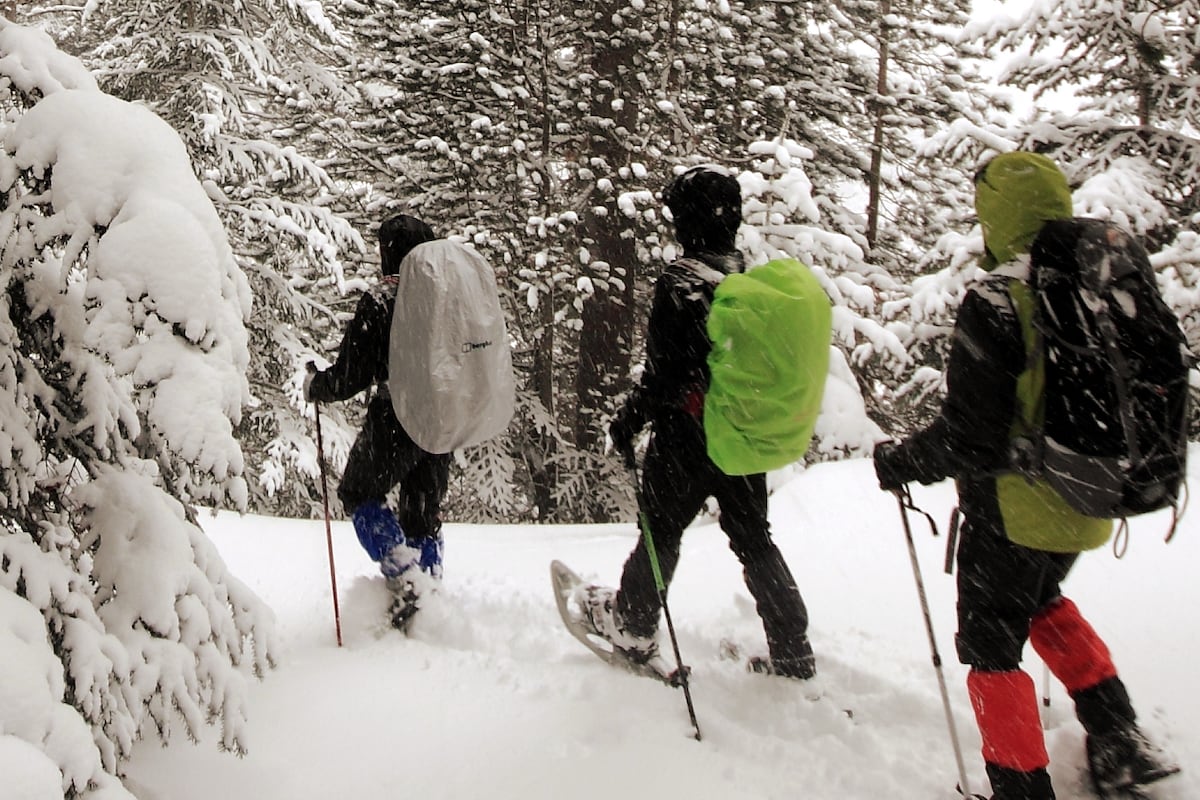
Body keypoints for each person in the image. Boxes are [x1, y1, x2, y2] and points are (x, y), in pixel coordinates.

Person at [873, 152, 1179, 799]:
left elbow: (969, 436)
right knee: (1041, 602)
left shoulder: (997, 298)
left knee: (992, 645)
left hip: (1014, 509)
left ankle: (1020, 786)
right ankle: (1120, 738)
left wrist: (901, 461)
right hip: (1093, 497)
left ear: (995, 216)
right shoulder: (1096, 284)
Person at [576, 165, 818, 680]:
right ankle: (793, 646)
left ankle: (635, 625)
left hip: (687, 436)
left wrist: (629, 421)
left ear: (685, 220)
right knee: (755, 539)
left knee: (661, 532)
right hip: (738, 432)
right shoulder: (748, 281)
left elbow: (665, 375)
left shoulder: (681, 281)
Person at [304, 213, 450, 629]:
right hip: (443, 418)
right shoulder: (445, 299)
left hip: (397, 416)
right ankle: (430, 595)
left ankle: (406, 578)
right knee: (422, 511)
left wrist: (318, 385)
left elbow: (353, 374)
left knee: (358, 492)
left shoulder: (383, 301)